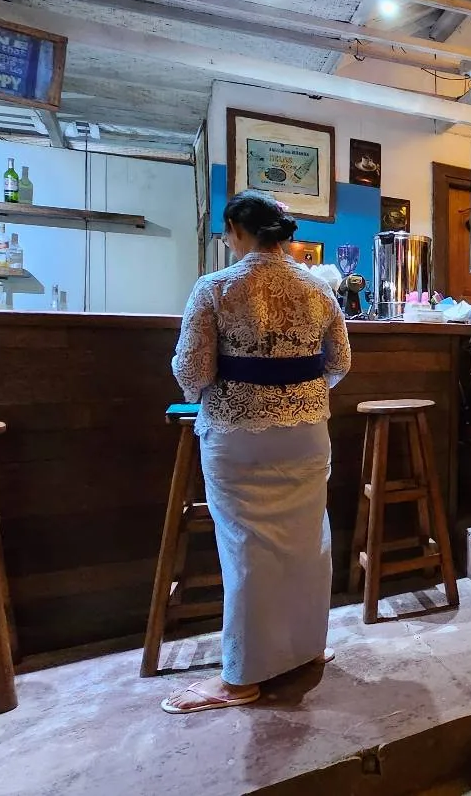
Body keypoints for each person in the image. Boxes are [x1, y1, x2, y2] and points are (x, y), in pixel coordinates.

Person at [165, 191, 352, 714]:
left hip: (237, 434)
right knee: (306, 543)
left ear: (238, 231)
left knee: (247, 548)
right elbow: (339, 362)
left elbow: (193, 372)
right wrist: (295, 391)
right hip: (307, 431)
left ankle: (242, 678)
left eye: (227, 232)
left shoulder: (215, 287)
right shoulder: (318, 289)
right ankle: (305, 650)